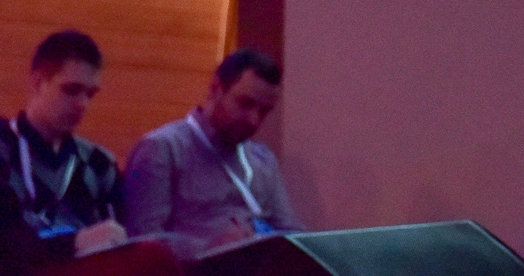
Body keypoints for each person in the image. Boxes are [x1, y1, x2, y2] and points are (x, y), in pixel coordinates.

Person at [122, 50, 301, 260]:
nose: (253, 120)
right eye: (245, 104)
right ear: (216, 89)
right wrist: (208, 248)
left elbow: (291, 233)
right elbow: (142, 243)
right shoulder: (162, 149)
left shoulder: (263, 160)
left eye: (264, 111)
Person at [1, 32, 126, 269]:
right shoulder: (4, 149)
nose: (82, 104)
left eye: (90, 94)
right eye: (71, 90)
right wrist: (74, 242)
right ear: (37, 82)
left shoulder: (99, 164)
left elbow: (122, 240)